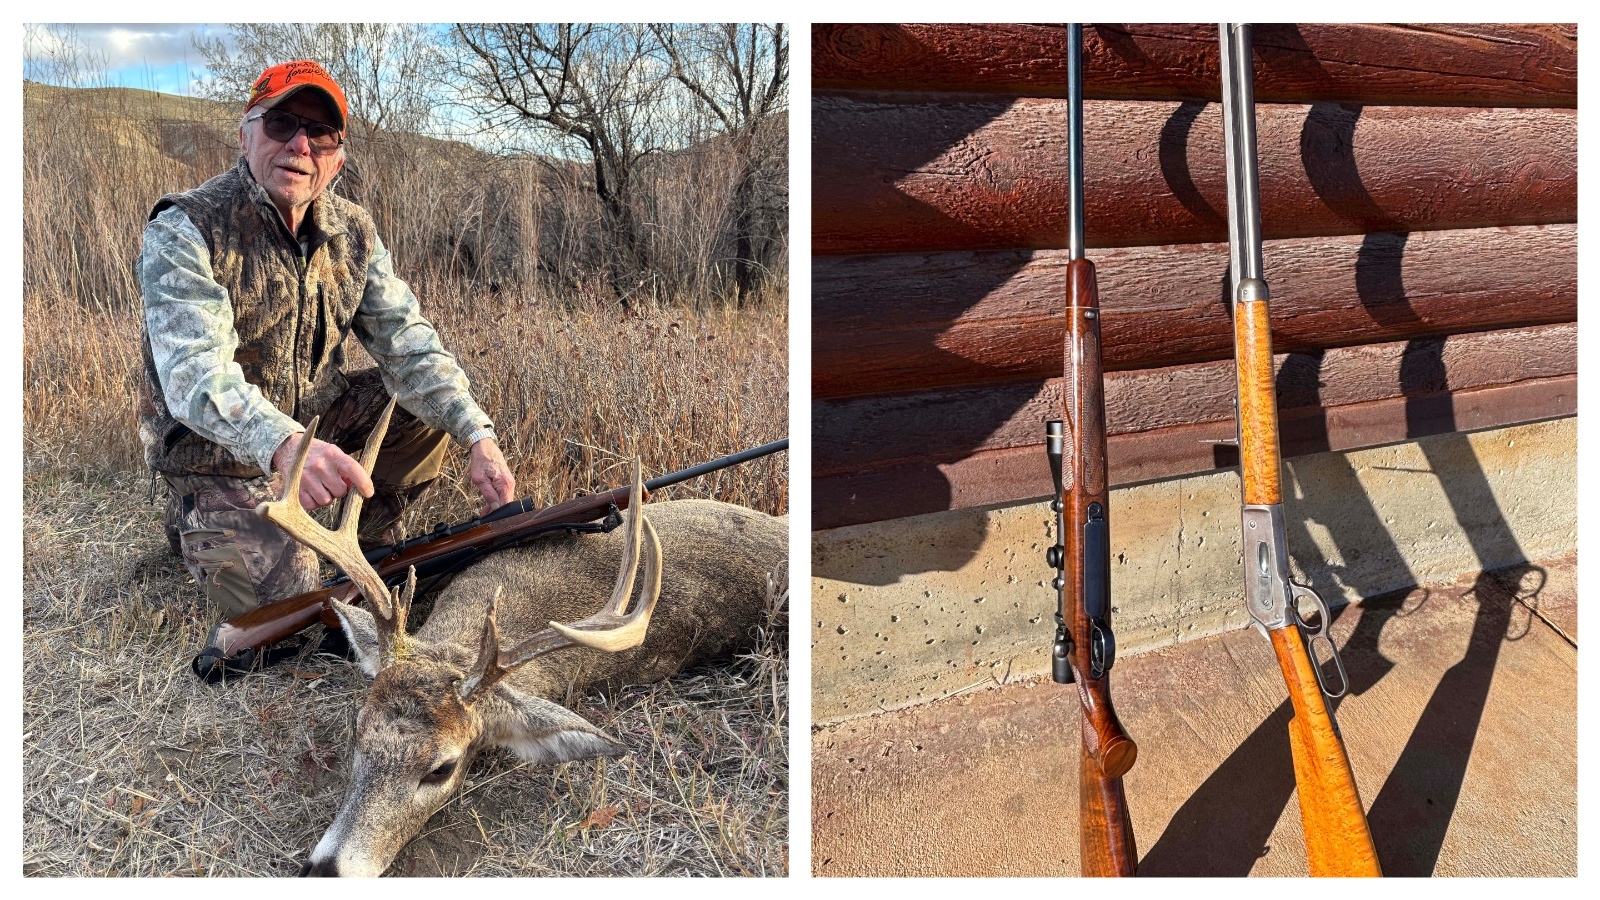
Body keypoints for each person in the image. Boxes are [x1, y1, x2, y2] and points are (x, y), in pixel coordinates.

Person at [138, 59, 515, 621]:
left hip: (314, 433)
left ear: (338, 156)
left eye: (320, 133)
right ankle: (196, 524)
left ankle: (353, 539)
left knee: (423, 408)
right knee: (286, 606)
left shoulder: (353, 230)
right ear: (246, 136)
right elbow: (195, 374)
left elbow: (408, 342)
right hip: (215, 459)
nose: (300, 144)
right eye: (281, 124)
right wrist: (286, 445)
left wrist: (477, 433)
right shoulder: (185, 227)